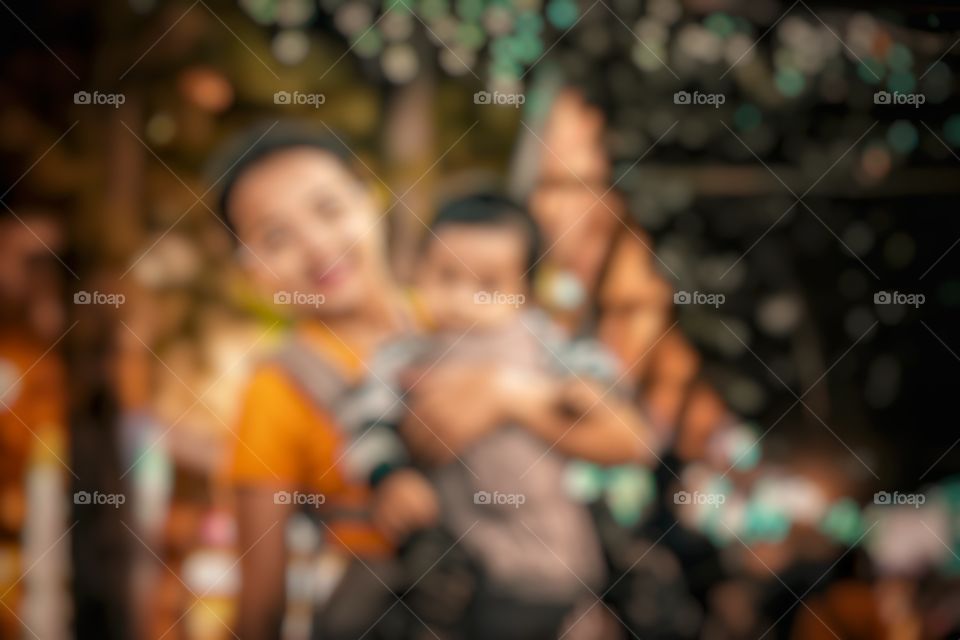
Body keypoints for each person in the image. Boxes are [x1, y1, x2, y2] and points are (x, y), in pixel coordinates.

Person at [328, 193, 655, 640]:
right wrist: (389, 475)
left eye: (487, 284)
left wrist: (581, 393)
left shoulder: (542, 341)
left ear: (525, 290)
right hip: (468, 559)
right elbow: (365, 421)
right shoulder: (403, 357)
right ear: (417, 273)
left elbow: (610, 402)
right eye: (445, 277)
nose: (463, 298)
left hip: (556, 551)